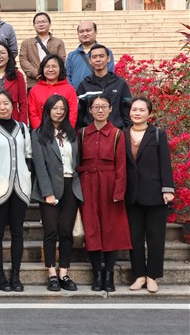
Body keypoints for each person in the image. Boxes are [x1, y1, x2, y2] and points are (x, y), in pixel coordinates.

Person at [0, 91, 32, 292]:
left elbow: (28, 156)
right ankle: (0, 275)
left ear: (13, 105)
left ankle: (15, 276)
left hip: (20, 187)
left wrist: (27, 177)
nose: (2, 107)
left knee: (17, 232)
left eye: (6, 103)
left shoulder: (23, 128)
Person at [77, 94, 131, 292]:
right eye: (96, 107)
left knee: (110, 229)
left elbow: (121, 166)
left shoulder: (117, 134)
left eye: (104, 106)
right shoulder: (82, 133)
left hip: (110, 185)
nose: (100, 110)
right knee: (91, 227)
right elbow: (77, 162)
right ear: (90, 110)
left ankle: (108, 274)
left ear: (110, 109)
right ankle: (97, 274)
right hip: (87, 184)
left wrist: (119, 191)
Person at [31, 95, 82, 292]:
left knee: (66, 232)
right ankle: (52, 273)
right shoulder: (38, 134)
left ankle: (64, 272)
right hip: (50, 188)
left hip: (71, 186)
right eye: (55, 108)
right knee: (51, 231)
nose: (58, 111)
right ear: (48, 110)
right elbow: (39, 166)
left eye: (62, 108)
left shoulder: (72, 134)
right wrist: (47, 192)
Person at [124, 96, 175, 293]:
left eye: (141, 110)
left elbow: (165, 162)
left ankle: (152, 276)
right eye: (134, 109)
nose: (137, 113)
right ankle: (139, 275)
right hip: (131, 194)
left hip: (155, 194)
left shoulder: (157, 134)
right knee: (134, 237)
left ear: (149, 113)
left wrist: (167, 189)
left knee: (155, 237)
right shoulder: (122, 134)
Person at [76, 44, 132, 130]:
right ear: (90, 60)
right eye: (94, 57)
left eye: (101, 56)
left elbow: (126, 111)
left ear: (108, 58)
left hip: (116, 132)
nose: (98, 59)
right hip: (91, 133)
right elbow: (80, 114)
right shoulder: (84, 85)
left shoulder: (120, 83)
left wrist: (127, 131)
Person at [19, 12, 67, 91]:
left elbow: (61, 60)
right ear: (34, 25)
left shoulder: (58, 42)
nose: (41, 24)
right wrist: (37, 73)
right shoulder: (26, 43)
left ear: (50, 24)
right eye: (38, 22)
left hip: (54, 83)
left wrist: (50, 72)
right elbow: (23, 60)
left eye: (44, 21)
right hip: (34, 83)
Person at [28, 55, 77, 129]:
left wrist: (65, 131)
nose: (50, 70)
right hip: (41, 132)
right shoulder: (34, 90)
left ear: (60, 69)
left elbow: (72, 113)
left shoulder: (69, 89)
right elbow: (33, 114)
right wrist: (40, 131)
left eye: (54, 66)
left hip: (64, 132)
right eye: (47, 67)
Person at [65, 21, 114, 89]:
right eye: (81, 31)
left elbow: (109, 74)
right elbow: (67, 76)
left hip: (99, 93)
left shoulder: (106, 52)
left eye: (88, 30)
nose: (85, 34)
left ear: (96, 32)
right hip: (77, 94)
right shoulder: (72, 55)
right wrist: (72, 91)